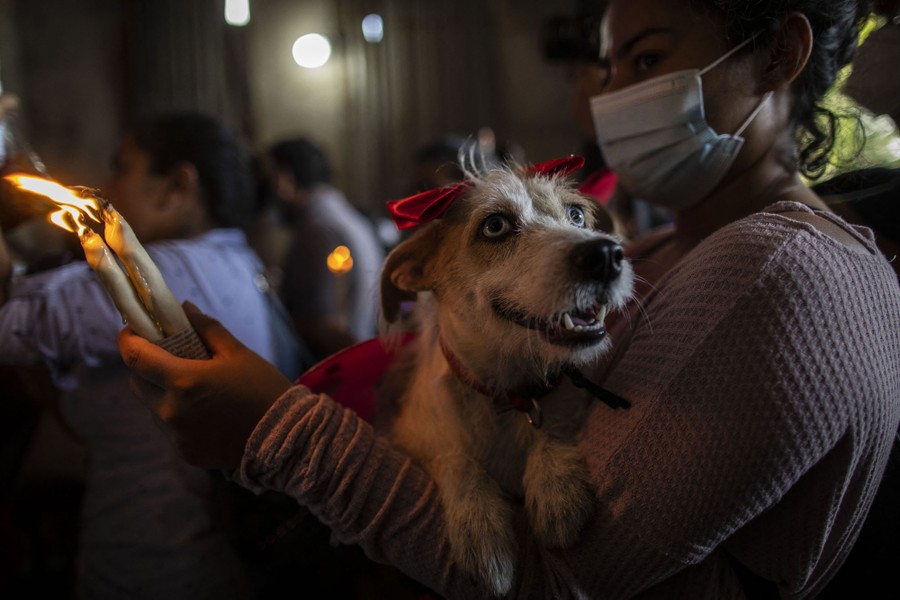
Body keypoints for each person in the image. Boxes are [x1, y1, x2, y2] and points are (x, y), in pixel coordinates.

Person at [118, 1, 900, 598]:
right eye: (607, 66)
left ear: (778, 55)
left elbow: (564, 584)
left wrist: (279, 432)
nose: (602, 98)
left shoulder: (777, 270)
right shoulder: (666, 253)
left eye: (647, 58)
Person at [0, 110, 307, 598]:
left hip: (159, 566)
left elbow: (14, 323)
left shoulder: (180, 273)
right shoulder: (231, 261)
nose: (107, 184)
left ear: (177, 187)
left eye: (122, 167)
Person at [264, 137, 386, 361]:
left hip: (336, 368)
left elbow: (326, 326)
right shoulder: (347, 217)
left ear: (285, 179)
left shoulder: (319, 229)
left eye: (267, 179)